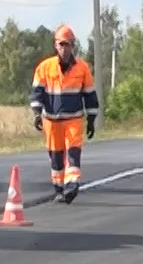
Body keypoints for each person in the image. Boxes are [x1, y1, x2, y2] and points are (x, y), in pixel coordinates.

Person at [29, 24, 99, 203]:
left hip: (73, 119)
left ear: (73, 46)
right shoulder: (44, 68)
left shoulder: (82, 68)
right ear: (55, 45)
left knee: (74, 152)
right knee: (56, 155)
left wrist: (91, 119)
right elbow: (37, 93)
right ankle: (59, 189)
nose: (64, 48)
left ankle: (72, 184)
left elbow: (90, 94)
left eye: (67, 44)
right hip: (51, 121)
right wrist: (37, 114)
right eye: (61, 44)